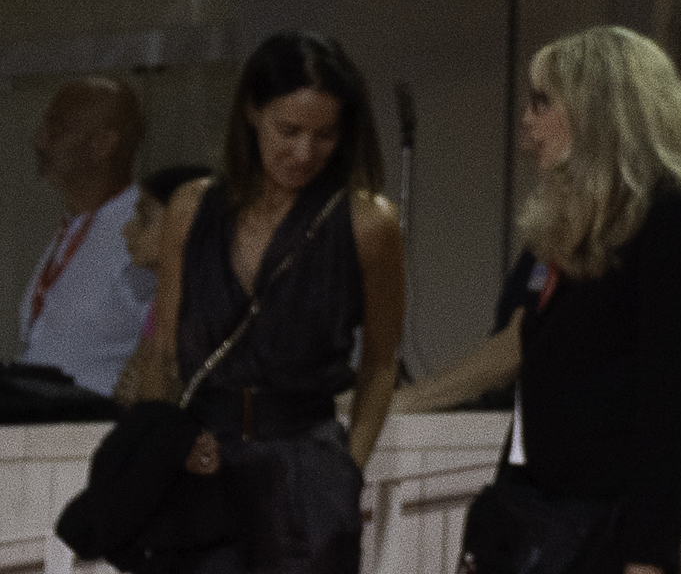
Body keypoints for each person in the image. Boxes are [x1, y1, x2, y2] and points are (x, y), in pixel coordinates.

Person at [138, 30, 407, 574]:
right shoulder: (192, 207)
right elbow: (164, 350)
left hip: (305, 463)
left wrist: (344, 471)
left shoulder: (366, 222)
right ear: (251, 112)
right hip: (201, 455)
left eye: (325, 135)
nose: (304, 153)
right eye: (289, 130)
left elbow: (380, 363)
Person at [486, 26, 681, 574]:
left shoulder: (670, 217)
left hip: (613, 524)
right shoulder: (565, 221)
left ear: (597, 110)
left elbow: (664, 392)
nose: (528, 119)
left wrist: (646, 552)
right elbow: (529, 363)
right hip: (541, 508)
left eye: (542, 101)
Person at [19, 77, 150, 394]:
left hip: (102, 435)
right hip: (42, 434)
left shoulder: (144, 231)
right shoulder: (74, 225)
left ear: (103, 145)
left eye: (57, 129)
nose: (38, 140)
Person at [110, 162, 216, 405]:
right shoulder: (160, 304)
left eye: (145, 217)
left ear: (185, 223)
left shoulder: (205, 310)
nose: (128, 230)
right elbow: (131, 389)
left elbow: (157, 397)